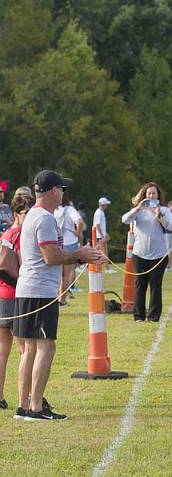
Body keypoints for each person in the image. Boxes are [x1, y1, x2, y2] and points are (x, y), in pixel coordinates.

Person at [13, 171, 106, 421]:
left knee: (30, 349)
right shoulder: (44, 218)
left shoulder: (33, 214)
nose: (64, 193)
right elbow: (51, 257)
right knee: (46, 348)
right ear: (54, 191)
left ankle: (24, 407)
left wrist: (79, 253)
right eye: (62, 189)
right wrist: (81, 255)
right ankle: (35, 408)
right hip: (40, 292)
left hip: (28, 289)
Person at [121, 182, 172, 322]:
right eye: (149, 193)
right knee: (140, 285)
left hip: (158, 255)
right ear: (144, 196)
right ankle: (138, 316)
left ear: (158, 195)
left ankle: (153, 316)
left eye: (154, 193)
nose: (151, 195)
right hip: (139, 254)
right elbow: (125, 220)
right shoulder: (139, 211)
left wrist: (160, 217)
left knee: (155, 286)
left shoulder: (164, 210)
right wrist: (138, 208)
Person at [0, 186, 34, 411]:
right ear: (16, 214)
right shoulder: (20, 234)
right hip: (13, 295)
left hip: (2, 295)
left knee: (3, 350)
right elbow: (21, 265)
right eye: (25, 213)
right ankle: (31, 397)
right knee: (26, 350)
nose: (28, 217)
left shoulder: (6, 233)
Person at [54, 195, 85, 304]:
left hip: (57, 243)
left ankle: (56, 297)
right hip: (70, 243)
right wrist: (78, 232)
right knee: (66, 275)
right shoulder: (70, 209)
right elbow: (79, 221)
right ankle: (62, 301)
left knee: (57, 274)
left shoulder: (53, 209)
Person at [93, 196, 113, 272]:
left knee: (100, 251)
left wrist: (106, 234)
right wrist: (102, 236)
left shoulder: (101, 212)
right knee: (103, 252)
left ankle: (107, 268)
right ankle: (107, 268)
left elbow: (102, 226)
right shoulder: (99, 213)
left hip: (101, 235)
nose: (107, 206)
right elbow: (97, 226)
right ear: (103, 204)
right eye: (106, 204)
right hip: (99, 236)